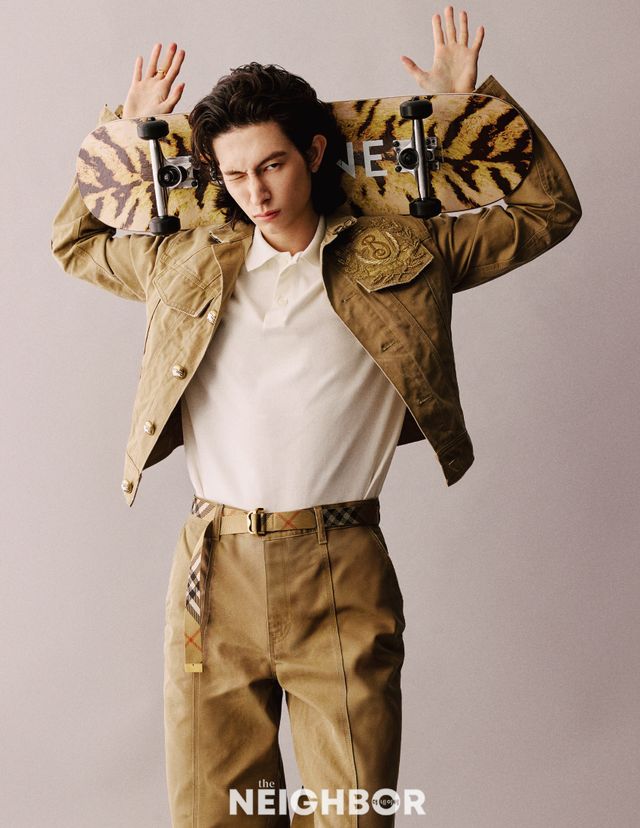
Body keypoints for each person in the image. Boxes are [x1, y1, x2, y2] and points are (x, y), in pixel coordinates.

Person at [50, 7, 581, 826]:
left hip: (341, 561)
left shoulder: (403, 253)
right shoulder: (182, 261)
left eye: (273, 165)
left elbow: (548, 211)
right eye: (235, 175)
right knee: (215, 816)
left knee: (353, 815)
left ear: (315, 152)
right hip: (211, 568)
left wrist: (467, 117)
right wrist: (123, 132)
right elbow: (77, 240)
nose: (256, 193)